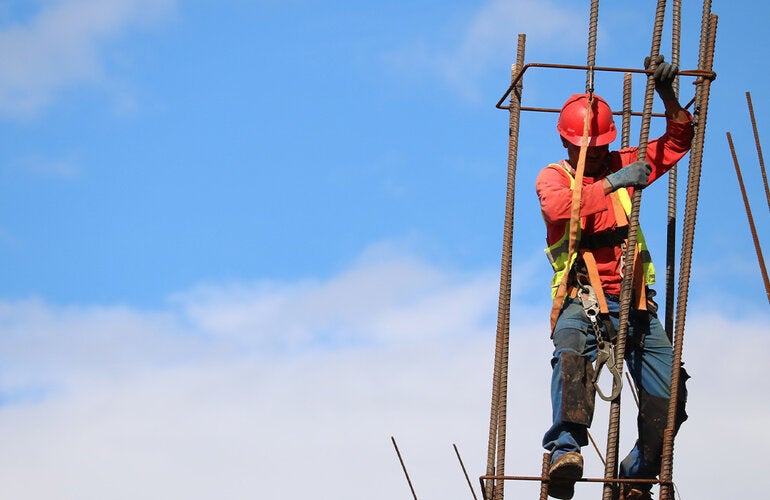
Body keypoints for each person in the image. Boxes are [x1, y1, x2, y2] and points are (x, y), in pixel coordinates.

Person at [535, 56, 692, 500]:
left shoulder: (621, 163)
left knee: (670, 400)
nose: (599, 154)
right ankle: (566, 452)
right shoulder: (555, 177)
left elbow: (677, 141)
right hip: (582, 301)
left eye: (604, 146)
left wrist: (668, 97)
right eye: (591, 147)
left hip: (635, 304)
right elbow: (558, 208)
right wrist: (612, 183)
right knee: (570, 356)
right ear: (567, 143)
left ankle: (636, 476)